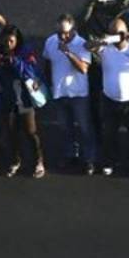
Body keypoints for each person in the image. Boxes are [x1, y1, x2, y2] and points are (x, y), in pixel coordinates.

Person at [42, 13, 94, 174]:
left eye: (65, 32)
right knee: (65, 128)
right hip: (59, 92)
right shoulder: (51, 41)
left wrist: (68, 53)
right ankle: (70, 154)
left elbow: (83, 69)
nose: (62, 36)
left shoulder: (82, 44)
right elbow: (47, 62)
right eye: (59, 32)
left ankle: (89, 159)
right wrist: (50, 82)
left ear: (73, 30)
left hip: (78, 94)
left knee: (84, 128)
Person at [0, 25, 46, 178]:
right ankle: (15, 160)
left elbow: (31, 72)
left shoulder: (25, 52)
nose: (8, 44)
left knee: (30, 131)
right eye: (5, 41)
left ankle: (38, 161)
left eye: (11, 41)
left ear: (17, 41)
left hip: (24, 99)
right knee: (11, 132)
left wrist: (14, 61)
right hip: (7, 99)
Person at [94, 17, 129, 179]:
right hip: (109, 99)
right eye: (113, 33)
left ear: (125, 33)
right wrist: (101, 42)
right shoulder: (106, 48)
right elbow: (87, 47)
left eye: (120, 34)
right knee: (108, 133)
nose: (117, 37)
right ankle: (109, 162)